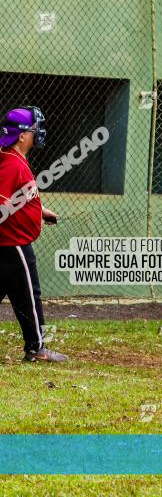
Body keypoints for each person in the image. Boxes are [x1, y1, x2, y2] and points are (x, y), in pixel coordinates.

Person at [0, 107, 67, 363]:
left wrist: (40, 211)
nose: (37, 132)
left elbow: (18, 198)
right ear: (21, 136)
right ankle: (37, 349)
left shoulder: (10, 157)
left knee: (21, 295)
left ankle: (35, 347)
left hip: (6, 243)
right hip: (13, 244)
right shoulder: (12, 163)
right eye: (33, 129)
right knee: (29, 295)